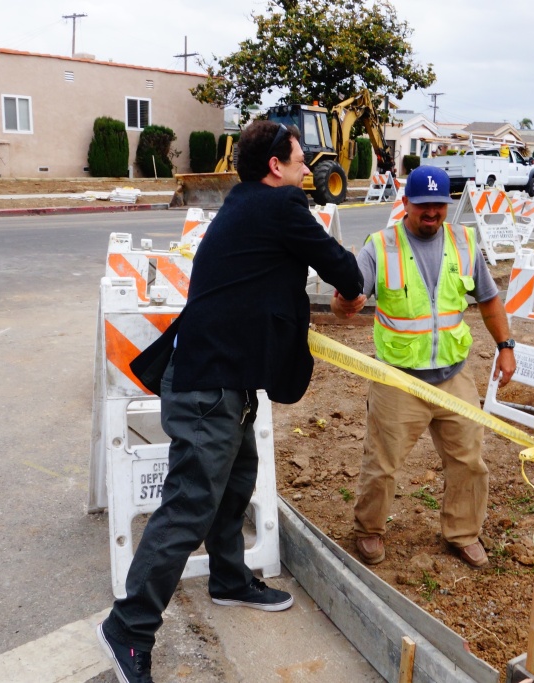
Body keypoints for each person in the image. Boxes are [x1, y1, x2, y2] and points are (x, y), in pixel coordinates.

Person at [97, 120, 366, 683]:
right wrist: (353, 287)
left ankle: (228, 578)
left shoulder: (243, 206)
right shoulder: (281, 207)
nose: (305, 171)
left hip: (226, 379)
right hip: (206, 386)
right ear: (275, 167)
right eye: (298, 161)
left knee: (237, 479)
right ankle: (130, 626)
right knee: (190, 504)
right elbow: (341, 267)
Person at [332, 165, 517, 569]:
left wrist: (505, 346)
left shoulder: (465, 242)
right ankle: (369, 530)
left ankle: (463, 533)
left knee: (469, 461)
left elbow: (488, 300)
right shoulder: (379, 247)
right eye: (423, 205)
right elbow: (345, 300)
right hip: (398, 379)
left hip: (454, 376)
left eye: (439, 204)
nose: (432, 212)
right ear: (406, 204)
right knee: (382, 464)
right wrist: (345, 303)